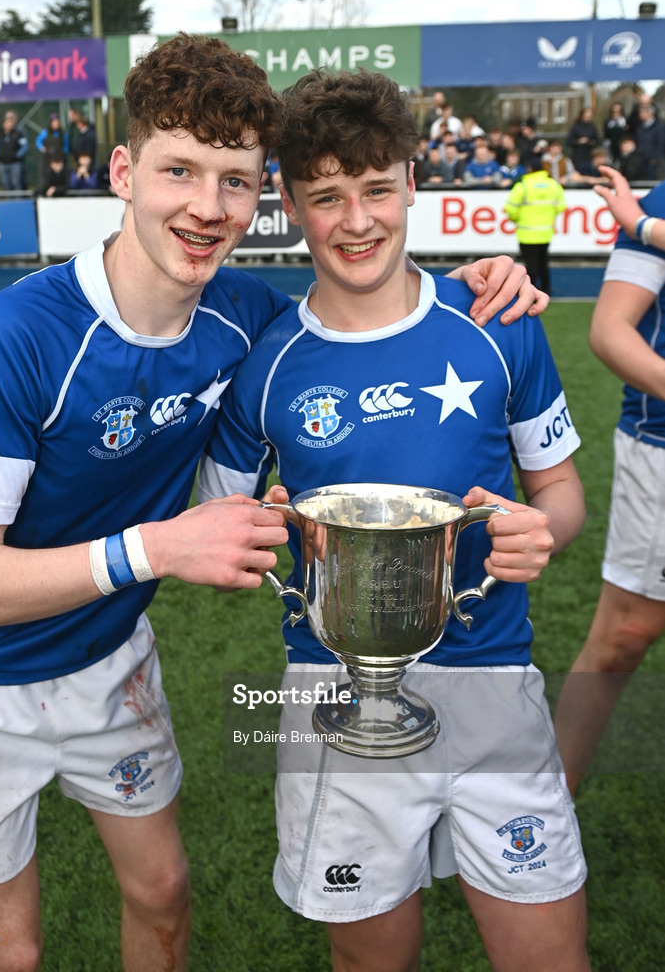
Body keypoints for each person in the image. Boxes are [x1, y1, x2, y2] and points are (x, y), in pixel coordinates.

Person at [0, 33, 541, 972]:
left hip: (112, 659)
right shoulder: (10, 337)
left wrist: (483, 279)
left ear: (260, 198)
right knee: (4, 946)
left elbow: (361, 300)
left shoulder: (239, 313)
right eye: (178, 171)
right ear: (123, 171)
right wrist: (157, 549)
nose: (207, 208)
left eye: (235, 181)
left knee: (163, 895)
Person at [198, 68, 589, 972]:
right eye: (327, 197)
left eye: (376, 189)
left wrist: (543, 532)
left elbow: (561, 494)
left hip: (493, 685)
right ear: (289, 204)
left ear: (412, 181)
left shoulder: (496, 320)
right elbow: (217, 513)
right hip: (329, 700)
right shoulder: (268, 364)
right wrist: (251, 527)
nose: (357, 220)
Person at [555, 166, 665, 795]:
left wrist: (645, 224)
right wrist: (647, 222)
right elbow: (609, 330)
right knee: (624, 636)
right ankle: (544, 804)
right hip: (661, 443)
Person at [504, 156, 566, 295]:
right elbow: (561, 206)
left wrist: (516, 218)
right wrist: (548, 214)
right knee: (543, 261)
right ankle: (546, 289)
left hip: (526, 232)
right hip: (545, 231)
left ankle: (531, 292)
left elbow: (510, 208)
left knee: (530, 265)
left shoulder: (523, 186)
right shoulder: (553, 185)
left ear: (529, 169)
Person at [0, 110, 28, 191]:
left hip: (15, 163)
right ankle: (9, 202)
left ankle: (18, 201)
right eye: (7, 122)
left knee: (16, 182)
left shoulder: (18, 133)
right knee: (5, 183)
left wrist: (16, 155)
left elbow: (24, 146)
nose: (9, 124)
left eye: (10, 122)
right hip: (3, 163)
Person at [567, 107, 600, 176]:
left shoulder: (593, 126)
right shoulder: (576, 126)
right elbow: (569, 141)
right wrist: (579, 141)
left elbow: (597, 140)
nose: (588, 117)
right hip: (578, 155)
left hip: (589, 154)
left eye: (590, 115)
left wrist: (591, 142)